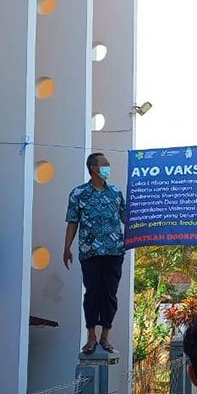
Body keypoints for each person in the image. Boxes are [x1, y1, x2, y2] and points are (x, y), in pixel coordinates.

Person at [64, 152, 126, 354]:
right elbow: (72, 222)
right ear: (93, 168)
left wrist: (145, 232)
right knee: (92, 293)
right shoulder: (78, 193)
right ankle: (91, 335)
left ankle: (105, 336)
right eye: (104, 164)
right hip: (90, 252)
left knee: (110, 293)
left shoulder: (115, 192)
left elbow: (126, 218)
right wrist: (67, 248)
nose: (108, 167)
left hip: (114, 250)